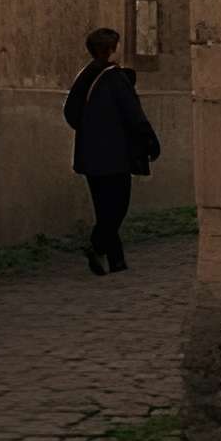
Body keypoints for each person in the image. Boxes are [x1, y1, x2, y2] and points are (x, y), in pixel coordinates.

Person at [62, 27, 161, 276]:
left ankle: (117, 260)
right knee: (118, 207)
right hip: (115, 154)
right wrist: (150, 141)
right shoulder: (114, 78)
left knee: (103, 207)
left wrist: (90, 131)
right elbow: (133, 114)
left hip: (89, 154)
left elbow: (71, 114)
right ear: (111, 49)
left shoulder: (85, 75)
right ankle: (97, 245)